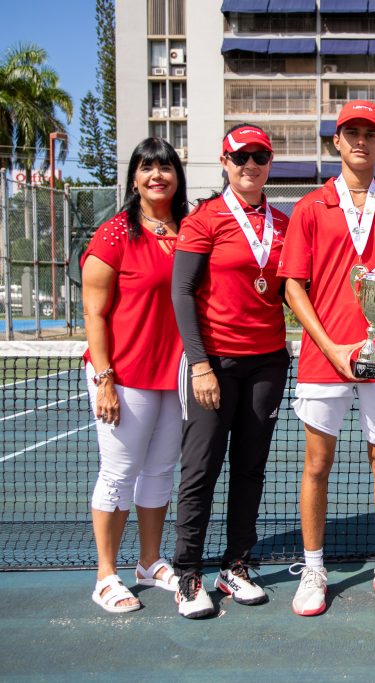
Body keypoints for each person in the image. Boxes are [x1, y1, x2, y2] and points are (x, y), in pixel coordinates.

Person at [280, 101, 375, 615]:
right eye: (351, 132)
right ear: (336, 142)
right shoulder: (311, 208)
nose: (361, 141)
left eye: (371, 133)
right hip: (325, 359)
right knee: (317, 464)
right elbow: (294, 287)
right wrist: (332, 345)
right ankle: (313, 568)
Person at [170, 124, 290, 619]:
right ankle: (187, 574)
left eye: (259, 157)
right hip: (215, 364)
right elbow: (181, 292)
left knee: (250, 470)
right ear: (224, 162)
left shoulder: (283, 222)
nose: (250, 165)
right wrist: (199, 364)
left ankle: (236, 565)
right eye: (240, 157)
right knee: (200, 470)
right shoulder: (204, 219)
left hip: (268, 363)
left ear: (269, 163)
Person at [81, 138, 189, 613]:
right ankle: (106, 575)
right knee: (119, 475)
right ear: (134, 179)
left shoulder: (189, 230)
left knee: (161, 473)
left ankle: (149, 562)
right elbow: (94, 311)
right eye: (147, 168)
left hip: (175, 376)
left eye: (166, 167)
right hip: (123, 376)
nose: (157, 175)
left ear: (177, 176)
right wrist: (105, 378)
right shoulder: (113, 234)